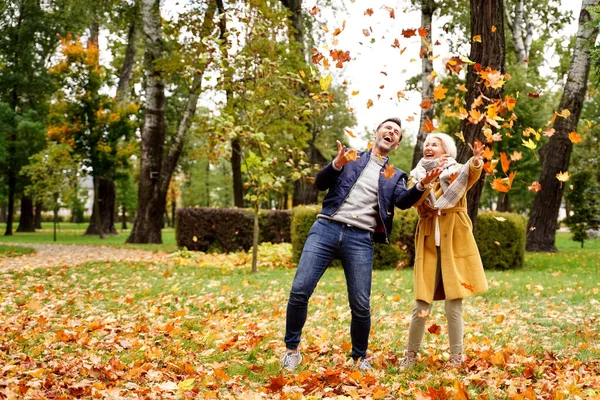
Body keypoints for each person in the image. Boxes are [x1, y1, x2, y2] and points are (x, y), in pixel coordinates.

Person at [281, 118, 443, 372]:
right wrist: (336, 165)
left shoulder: (395, 174)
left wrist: (421, 185)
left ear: (397, 144)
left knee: (360, 304)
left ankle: (359, 359)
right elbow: (320, 183)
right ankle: (291, 351)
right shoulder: (351, 157)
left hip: (360, 239)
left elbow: (401, 201)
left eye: (396, 132)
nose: (391, 132)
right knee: (300, 290)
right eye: (387, 128)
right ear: (376, 132)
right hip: (326, 228)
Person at [399, 133, 488, 369]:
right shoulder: (418, 175)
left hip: (454, 242)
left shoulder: (457, 171)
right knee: (421, 304)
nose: (428, 147)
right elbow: (415, 199)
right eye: (427, 144)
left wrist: (476, 161)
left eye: (434, 144)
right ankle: (410, 355)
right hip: (428, 242)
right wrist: (426, 182)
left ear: (445, 149)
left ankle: (456, 358)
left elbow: (471, 173)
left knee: (453, 304)